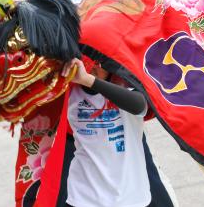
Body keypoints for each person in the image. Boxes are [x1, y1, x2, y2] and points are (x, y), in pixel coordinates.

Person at [61, 58, 151, 207]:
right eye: (87, 59)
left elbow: (139, 105)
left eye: (99, 62)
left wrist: (88, 80)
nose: (94, 67)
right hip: (83, 198)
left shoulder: (127, 85)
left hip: (131, 198)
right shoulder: (68, 92)